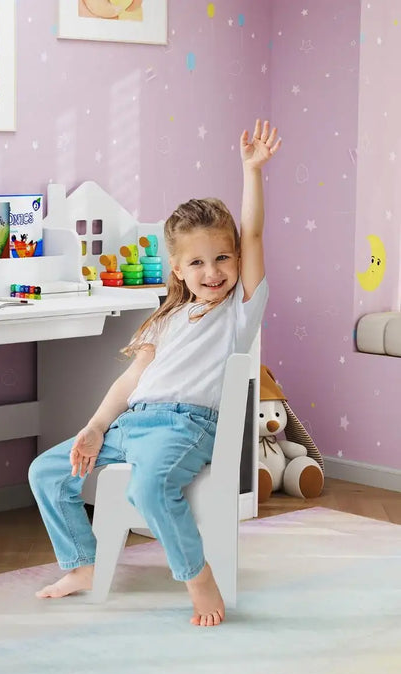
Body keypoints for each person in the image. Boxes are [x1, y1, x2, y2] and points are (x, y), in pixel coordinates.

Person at [28, 119, 282, 627]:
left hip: (187, 426)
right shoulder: (167, 317)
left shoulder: (239, 309)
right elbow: (129, 382)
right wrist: (96, 427)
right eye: (197, 263)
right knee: (47, 471)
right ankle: (80, 565)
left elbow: (252, 231)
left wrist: (251, 172)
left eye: (223, 258)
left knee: (147, 490)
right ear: (177, 267)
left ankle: (197, 576)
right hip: (133, 423)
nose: (212, 272)